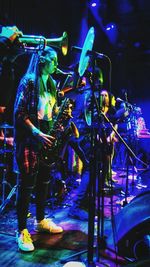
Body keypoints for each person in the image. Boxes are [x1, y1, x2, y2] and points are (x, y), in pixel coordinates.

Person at [13, 45, 74, 252]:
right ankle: (21, 230)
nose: (57, 64)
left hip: (48, 137)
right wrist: (37, 133)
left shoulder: (51, 84)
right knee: (27, 184)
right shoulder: (29, 81)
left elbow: (52, 110)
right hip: (31, 138)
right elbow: (20, 113)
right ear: (42, 61)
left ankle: (40, 220)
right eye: (53, 60)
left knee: (43, 182)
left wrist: (63, 113)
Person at [68, 89, 127, 220]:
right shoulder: (88, 95)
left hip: (85, 135)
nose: (102, 96)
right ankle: (76, 207)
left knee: (90, 170)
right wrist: (122, 110)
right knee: (90, 169)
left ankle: (85, 204)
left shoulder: (87, 94)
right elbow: (93, 119)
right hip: (82, 135)